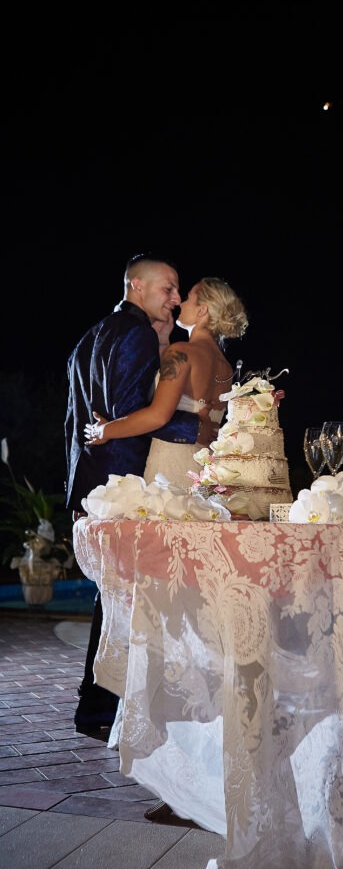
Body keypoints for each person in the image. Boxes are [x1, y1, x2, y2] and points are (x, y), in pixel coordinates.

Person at [65, 253, 218, 737]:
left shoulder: (92, 334)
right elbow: (135, 413)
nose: (175, 298)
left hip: (92, 478)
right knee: (125, 597)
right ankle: (100, 708)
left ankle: (98, 703)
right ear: (136, 285)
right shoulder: (132, 333)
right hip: (124, 478)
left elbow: (79, 418)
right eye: (168, 288)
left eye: (179, 292)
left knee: (114, 596)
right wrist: (214, 423)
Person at [83, 276, 249, 488]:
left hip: (170, 469)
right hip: (204, 472)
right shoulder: (226, 366)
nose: (181, 303)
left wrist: (104, 431)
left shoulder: (181, 352)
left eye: (189, 298)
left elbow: (158, 416)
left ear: (202, 311)